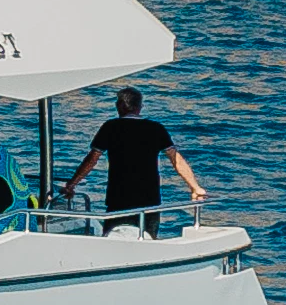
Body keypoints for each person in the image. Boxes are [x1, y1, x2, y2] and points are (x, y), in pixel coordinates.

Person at [82, 84, 200, 234]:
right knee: (148, 239)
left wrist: (71, 185)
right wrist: (194, 187)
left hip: (119, 199)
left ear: (119, 106)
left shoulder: (110, 127)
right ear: (140, 106)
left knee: (114, 240)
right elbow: (176, 160)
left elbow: (92, 159)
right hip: (149, 199)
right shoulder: (156, 128)